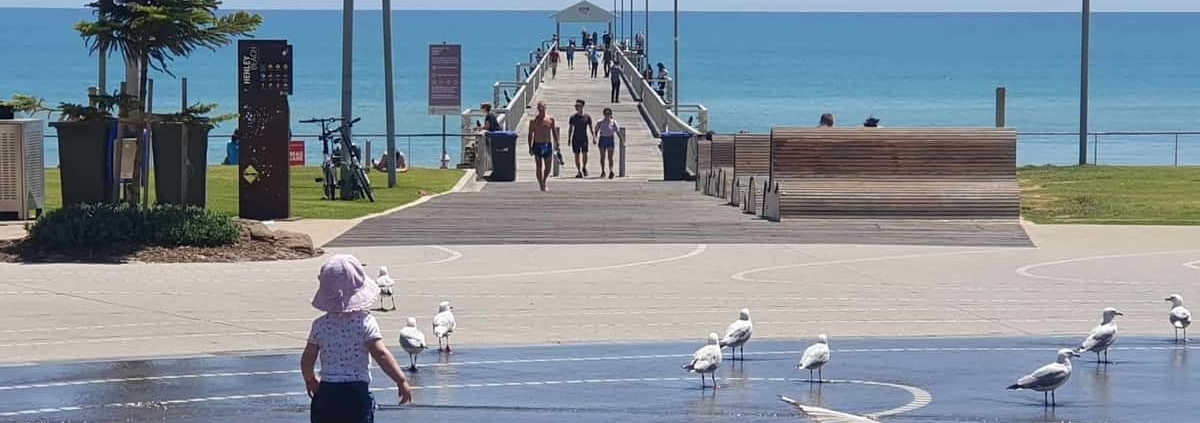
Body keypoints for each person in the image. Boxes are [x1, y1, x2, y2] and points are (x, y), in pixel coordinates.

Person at [302, 255, 413, 423]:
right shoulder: (365, 322)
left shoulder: (319, 325)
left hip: (326, 393)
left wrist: (310, 379)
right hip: (356, 393)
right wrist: (400, 379)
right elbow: (381, 354)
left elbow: (307, 359)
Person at [527, 101, 559, 192]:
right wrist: (530, 147)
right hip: (537, 144)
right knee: (539, 166)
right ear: (537, 108)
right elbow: (530, 134)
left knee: (548, 166)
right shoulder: (533, 121)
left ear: (545, 107)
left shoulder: (550, 119)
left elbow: (554, 131)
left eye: (543, 107)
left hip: (547, 144)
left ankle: (544, 180)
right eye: (539, 107)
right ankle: (541, 184)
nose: (541, 109)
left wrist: (557, 142)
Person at [568, 99, 593, 178]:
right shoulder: (573, 117)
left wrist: (594, 137)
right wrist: (569, 138)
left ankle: (584, 167)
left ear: (582, 106)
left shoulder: (587, 117)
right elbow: (570, 128)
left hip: (584, 137)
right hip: (575, 137)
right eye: (575, 106)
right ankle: (579, 171)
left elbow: (591, 127)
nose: (576, 107)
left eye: (578, 106)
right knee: (576, 154)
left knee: (585, 153)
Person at [592, 107, 620, 179]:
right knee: (602, 157)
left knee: (610, 157)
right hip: (602, 139)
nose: (607, 115)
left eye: (608, 114)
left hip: (610, 139)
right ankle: (603, 171)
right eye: (606, 114)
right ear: (604, 114)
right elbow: (595, 131)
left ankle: (611, 171)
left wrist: (622, 140)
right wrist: (594, 138)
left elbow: (617, 132)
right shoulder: (600, 122)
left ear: (611, 114)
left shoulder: (613, 122)